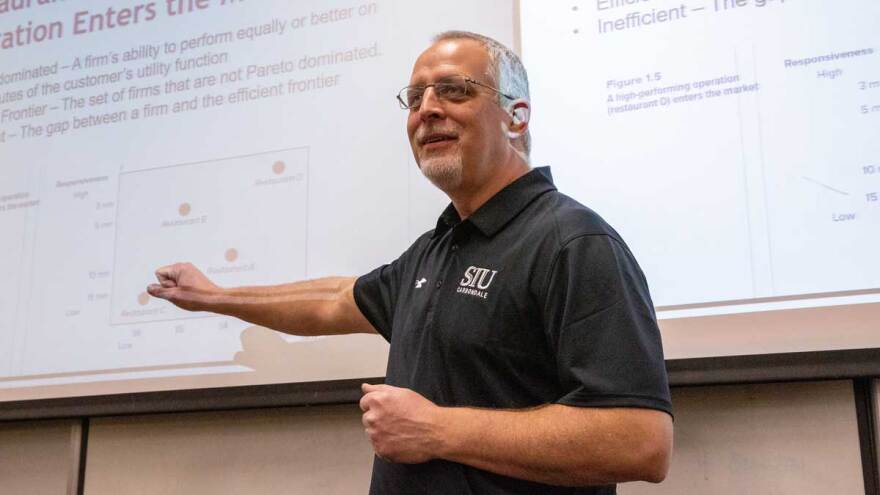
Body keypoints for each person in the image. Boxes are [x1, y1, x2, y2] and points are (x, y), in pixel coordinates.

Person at [147, 31, 673, 494]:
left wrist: (439, 429)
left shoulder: (572, 241)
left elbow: (640, 441)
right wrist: (212, 297)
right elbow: (333, 302)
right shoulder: (438, 248)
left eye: (454, 90)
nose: (427, 109)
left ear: (517, 116)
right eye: (415, 97)